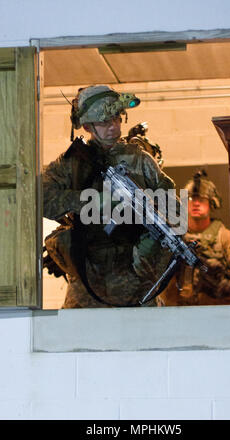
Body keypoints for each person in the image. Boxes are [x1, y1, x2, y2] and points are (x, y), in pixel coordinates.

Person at [43, 85, 175, 308]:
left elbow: (173, 207)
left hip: (135, 279)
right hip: (88, 280)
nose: (114, 126)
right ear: (87, 126)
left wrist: (153, 238)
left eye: (117, 118)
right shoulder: (71, 163)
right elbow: (42, 199)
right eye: (105, 122)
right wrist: (92, 201)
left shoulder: (141, 161)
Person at [158, 170, 230, 306]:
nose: (196, 203)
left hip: (215, 308)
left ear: (212, 203)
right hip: (178, 309)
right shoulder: (174, 235)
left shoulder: (224, 236)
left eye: (202, 199)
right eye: (191, 199)